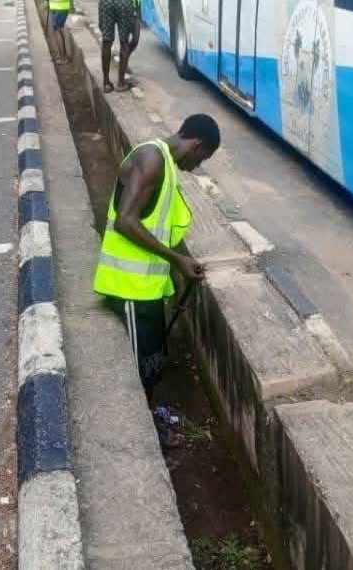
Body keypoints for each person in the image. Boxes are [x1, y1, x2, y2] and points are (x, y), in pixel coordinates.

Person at [93, 114, 221, 445]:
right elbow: (125, 221)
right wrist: (177, 259)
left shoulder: (166, 164)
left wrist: (180, 274)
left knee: (152, 359)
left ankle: (151, 420)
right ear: (197, 145)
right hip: (129, 287)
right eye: (202, 159)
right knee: (139, 367)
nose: (198, 166)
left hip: (147, 288)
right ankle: (141, 436)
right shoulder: (151, 159)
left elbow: (162, 225)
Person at [98, 0, 137, 92]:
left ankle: (106, 83)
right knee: (124, 42)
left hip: (106, 3)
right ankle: (121, 83)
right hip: (124, 3)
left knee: (106, 41)